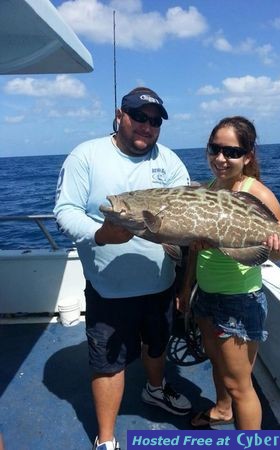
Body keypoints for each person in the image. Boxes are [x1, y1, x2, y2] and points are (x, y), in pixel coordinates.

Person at [54, 87, 191, 450]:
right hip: (109, 289)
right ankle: (107, 438)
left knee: (157, 346)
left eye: (155, 121)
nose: (147, 126)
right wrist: (100, 234)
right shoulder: (86, 155)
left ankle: (155, 390)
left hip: (160, 283)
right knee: (108, 363)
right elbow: (65, 211)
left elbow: (188, 214)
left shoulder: (171, 162)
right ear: (120, 115)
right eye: (139, 117)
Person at [177, 116, 280, 430]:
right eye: (215, 149)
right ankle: (223, 410)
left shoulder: (257, 194)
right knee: (217, 363)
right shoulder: (209, 189)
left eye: (232, 152)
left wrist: (279, 246)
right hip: (206, 297)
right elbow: (197, 250)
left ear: (248, 156)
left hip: (239, 302)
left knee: (240, 386)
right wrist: (186, 289)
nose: (221, 158)